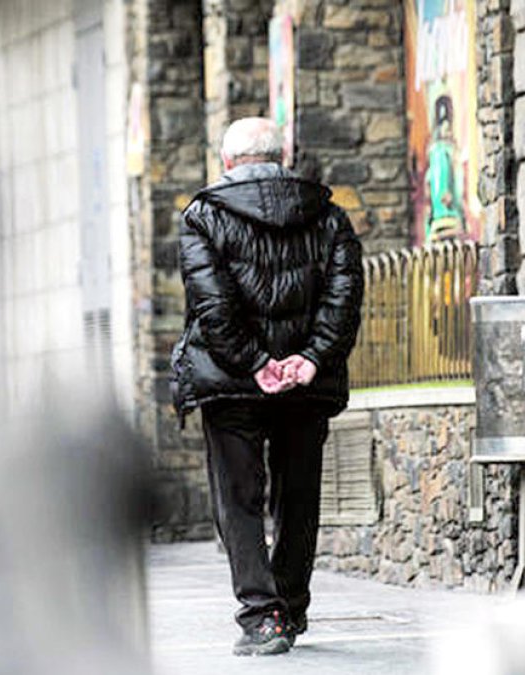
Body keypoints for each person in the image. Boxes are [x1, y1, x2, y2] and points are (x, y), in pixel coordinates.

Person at [171, 118, 364, 656]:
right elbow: (344, 297)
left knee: (238, 500)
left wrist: (254, 362)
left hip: (232, 382)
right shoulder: (328, 215)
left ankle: (263, 618)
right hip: (306, 384)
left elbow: (212, 304)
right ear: (282, 156)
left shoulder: (205, 216)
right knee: (298, 496)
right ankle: (292, 607)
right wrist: (309, 358)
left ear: (227, 162)